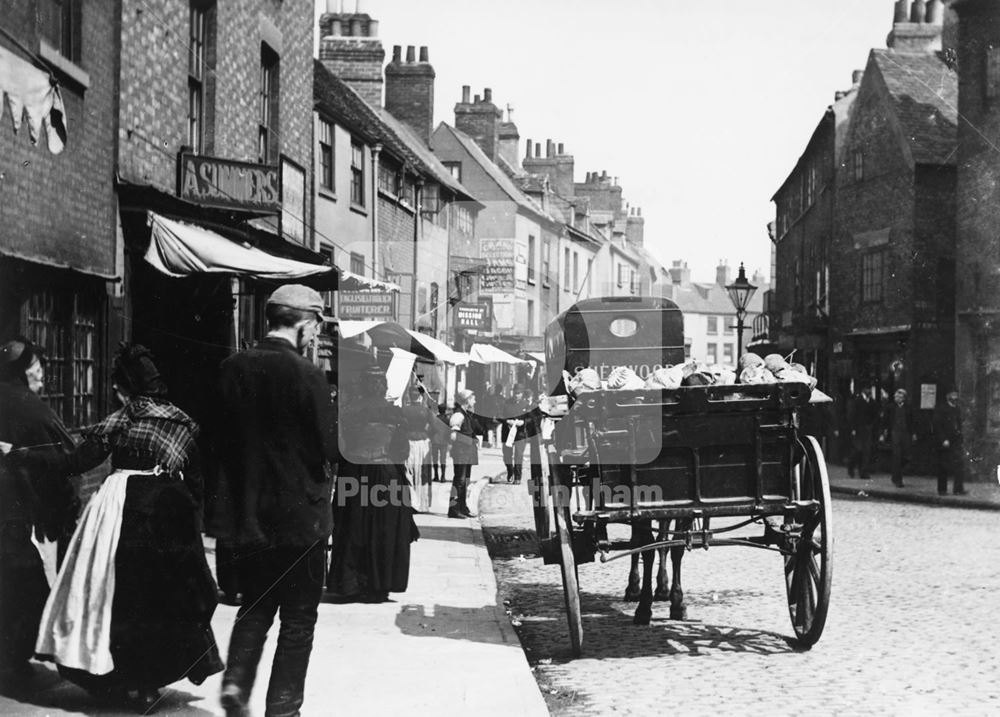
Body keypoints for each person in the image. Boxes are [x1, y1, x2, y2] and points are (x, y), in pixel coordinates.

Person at [28, 343, 222, 711]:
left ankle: (117, 676)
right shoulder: (182, 423)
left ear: (126, 388)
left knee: (116, 596)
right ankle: (149, 684)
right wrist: (190, 526)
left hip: (120, 510)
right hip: (170, 511)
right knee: (162, 598)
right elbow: (196, 482)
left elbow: (77, 461)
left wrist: (29, 454)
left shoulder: (122, 419)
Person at [215, 285, 338, 717]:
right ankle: (283, 709)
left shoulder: (232, 368)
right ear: (305, 324)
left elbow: (219, 446)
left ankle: (234, 683)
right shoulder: (308, 376)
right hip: (300, 519)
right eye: (316, 327)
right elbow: (331, 446)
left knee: (255, 606)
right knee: (299, 619)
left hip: (250, 519)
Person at [0, 337, 78, 688]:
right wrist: (63, 512)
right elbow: (65, 463)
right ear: (24, 370)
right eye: (38, 369)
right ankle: (12, 663)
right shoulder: (32, 409)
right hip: (10, 517)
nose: (42, 376)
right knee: (28, 590)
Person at [328, 369, 418, 601]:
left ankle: (349, 584)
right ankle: (378, 585)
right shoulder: (394, 413)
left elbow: (339, 448)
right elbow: (402, 451)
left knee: (351, 525)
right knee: (383, 529)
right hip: (385, 473)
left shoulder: (347, 412)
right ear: (384, 387)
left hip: (353, 472)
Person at [400, 382, 435, 512]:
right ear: (420, 396)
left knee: (408, 472)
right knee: (422, 473)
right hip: (423, 442)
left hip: (408, 442)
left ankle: (411, 502)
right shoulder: (426, 411)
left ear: (410, 395)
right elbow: (434, 427)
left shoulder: (403, 410)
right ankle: (421, 503)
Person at [448, 389, 480, 518]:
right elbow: (453, 436)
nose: (475, 401)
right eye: (473, 398)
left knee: (465, 481)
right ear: (467, 400)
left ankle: (463, 507)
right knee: (459, 481)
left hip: (468, 452)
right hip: (461, 452)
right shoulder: (458, 415)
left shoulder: (467, 414)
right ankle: (453, 509)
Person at [933, 388, 967, 496]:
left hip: (956, 440)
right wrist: (943, 439)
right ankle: (942, 490)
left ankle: (958, 489)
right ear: (948, 396)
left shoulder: (957, 409)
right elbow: (937, 425)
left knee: (959, 464)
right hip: (945, 441)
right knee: (943, 465)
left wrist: (960, 437)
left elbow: (959, 424)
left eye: (956, 395)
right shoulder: (941, 409)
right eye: (952, 395)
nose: (955, 397)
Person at [884, 389, 916, 488]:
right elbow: (885, 420)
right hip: (895, 433)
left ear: (904, 398)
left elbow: (912, 421)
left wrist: (914, 433)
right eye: (897, 397)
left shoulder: (908, 408)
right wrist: (884, 432)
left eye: (901, 397)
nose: (898, 399)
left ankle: (896, 474)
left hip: (906, 433)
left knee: (907, 456)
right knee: (897, 456)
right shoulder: (890, 407)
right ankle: (898, 480)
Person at [847, 385, 879, 480]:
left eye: (870, 389)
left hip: (867, 429)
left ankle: (863, 472)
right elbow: (852, 415)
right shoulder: (857, 401)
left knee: (866, 451)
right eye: (867, 389)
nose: (869, 391)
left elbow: (875, 415)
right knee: (858, 450)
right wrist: (853, 428)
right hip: (858, 429)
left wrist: (872, 425)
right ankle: (851, 466)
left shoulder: (872, 402)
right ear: (863, 389)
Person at [501, 387, 531, 484]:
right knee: (507, 455)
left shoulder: (525, 405)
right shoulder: (506, 403)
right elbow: (500, 415)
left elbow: (530, 418)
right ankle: (510, 470)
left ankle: (517, 477)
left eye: (519, 393)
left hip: (520, 433)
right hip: (507, 432)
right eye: (515, 392)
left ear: (522, 394)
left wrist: (523, 422)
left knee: (518, 455)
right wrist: (506, 421)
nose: (516, 395)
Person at [429, 403, 451, 483]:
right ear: (445, 410)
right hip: (444, 441)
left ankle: (436, 475)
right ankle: (443, 476)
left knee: (435, 459)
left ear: (438, 410)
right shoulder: (447, 420)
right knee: (443, 459)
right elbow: (449, 430)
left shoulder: (435, 419)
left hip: (435, 440)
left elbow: (431, 430)